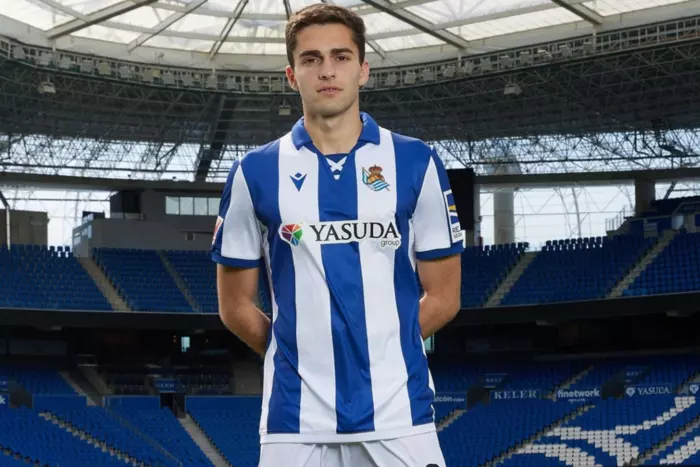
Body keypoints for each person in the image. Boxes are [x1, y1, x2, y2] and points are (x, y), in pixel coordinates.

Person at [211, 3, 464, 466]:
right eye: (311, 59)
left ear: (363, 70)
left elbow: (445, 297)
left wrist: (380, 349)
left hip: (401, 415)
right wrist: (298, 354)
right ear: (292, 76)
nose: (327, 70)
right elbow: (234, 306)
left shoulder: (415, 162)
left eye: (341, 57)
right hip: (294, 422)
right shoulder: (255, 171)